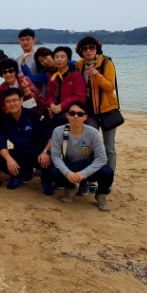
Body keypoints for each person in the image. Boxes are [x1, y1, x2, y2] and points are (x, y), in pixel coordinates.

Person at [49, 101, 114, 211]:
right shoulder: (58, 131)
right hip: (69, 165)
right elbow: (55, 156)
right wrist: (67, 172)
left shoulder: (92, 133)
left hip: (87, 164)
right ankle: (71, 188)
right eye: (72, 113)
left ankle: (101, 194)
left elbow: (101, 158)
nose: (76, 116)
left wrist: (84, 173)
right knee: (52, 172)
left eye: (80, 114)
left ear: (85, 117)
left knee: (107, 172)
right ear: (67, 115)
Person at [0, 88, 54, 195]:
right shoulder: (6, 120)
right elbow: (1, 143)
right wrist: (9, 159)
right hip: (20, 152)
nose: (12, 104)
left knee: (51, 166)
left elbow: (52, 133)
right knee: (0, 159)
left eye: (15, 100)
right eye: (8, 101)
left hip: (39, 153)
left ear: (21, 100)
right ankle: (19, 175)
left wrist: (46, 151)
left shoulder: (34, 115)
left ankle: (46, 180)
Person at [75, 36, 119, 172]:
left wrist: (96, 75)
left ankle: (108, 177)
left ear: (97, 48)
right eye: (84, 48)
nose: (88, 50)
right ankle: (91, 178)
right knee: (90, 145)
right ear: (81, 51)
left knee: (109, 147)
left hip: (107, 111)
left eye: (91, 47)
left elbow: (110, 87)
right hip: (90, 112)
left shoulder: (106, 63)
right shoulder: (79, 65)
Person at [45, 46, 86, 126]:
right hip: (57, 111)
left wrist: (62, 106)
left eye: (62, 57)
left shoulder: (75, 75)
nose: (59, 59)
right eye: (56, 57)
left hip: (73, 112)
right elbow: (49, 94)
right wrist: (51, 104)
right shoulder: (54, 76)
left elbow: (80, 97)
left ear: (68, 59)